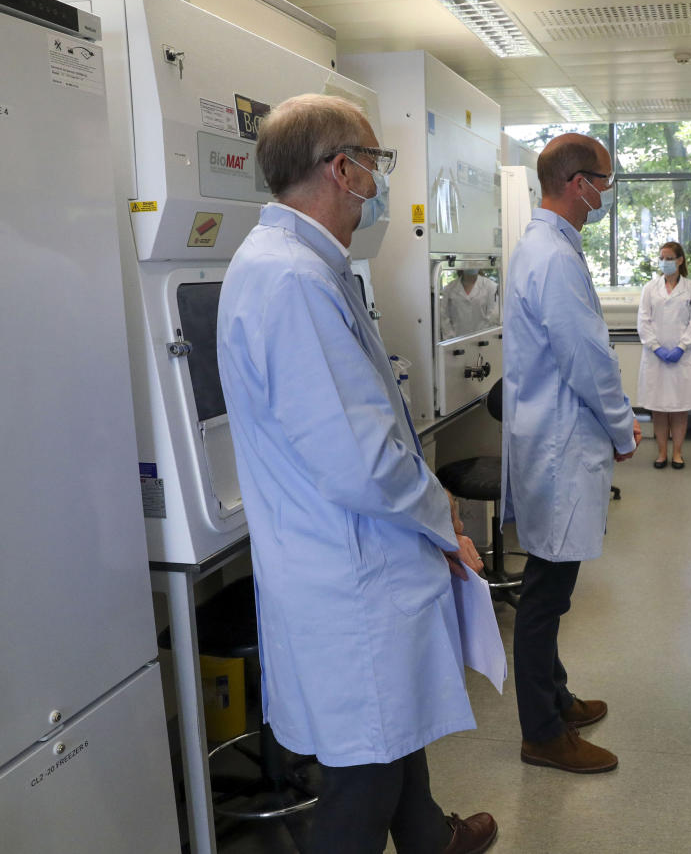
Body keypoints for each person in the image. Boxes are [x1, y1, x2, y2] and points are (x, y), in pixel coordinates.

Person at [217, 94, 496, 854]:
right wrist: (443, 515)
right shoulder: (294, 282)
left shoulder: (296, 266)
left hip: (346, 560)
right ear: (344, 170)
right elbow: (363, 463)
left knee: (392, 733)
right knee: (364, 770)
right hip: (351, 573)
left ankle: (431, 839)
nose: (380, 179)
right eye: (377, 161)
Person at [502, 132, 641, 773]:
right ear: (577, 182)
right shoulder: (552, 257)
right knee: (543, 598)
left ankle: (556, 698)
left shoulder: (547, 247)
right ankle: (542, 732)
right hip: (561, 446)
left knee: (550, 587)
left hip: (553, 440)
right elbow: (586, 359)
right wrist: (622, 428)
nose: (605, 194)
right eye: (603, 183)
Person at [636, 241, 691, 469]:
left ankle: (678, 453)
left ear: (680, 260)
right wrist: (656, 347)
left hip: (682, 357)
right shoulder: (649, 288)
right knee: (659, 408)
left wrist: (681, 347)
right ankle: (662, 453)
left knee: (679, 408)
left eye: (669, 258)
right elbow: (643, 321)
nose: (664, 262)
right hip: (656, 358)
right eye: (661, 258)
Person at [440, 268, 500, 339]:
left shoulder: (491, 286)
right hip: (456, 343)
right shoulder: (449, 289)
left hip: (484, 342)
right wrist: (451, 338)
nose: (471, 264)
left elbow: (494, 318)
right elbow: (443, 317)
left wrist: (486, 338)